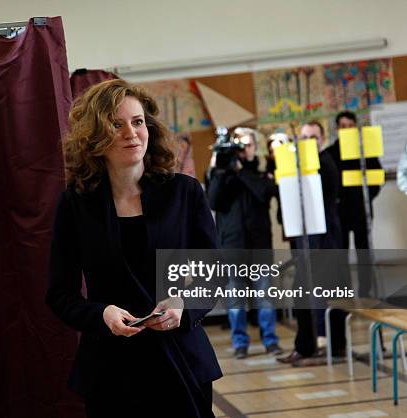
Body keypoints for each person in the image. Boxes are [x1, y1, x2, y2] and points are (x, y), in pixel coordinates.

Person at [46, 79, 222, 417]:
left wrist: (183, 306)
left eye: (137, 121)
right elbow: (60, 294)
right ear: (95, 135)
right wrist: (101, 314)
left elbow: (211, 277)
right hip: (111, 368)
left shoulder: (184, 193)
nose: (131, 133)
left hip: (180, 358)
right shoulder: (75, 204)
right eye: (116, 124)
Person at [207, 128, 282, 359]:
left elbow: (263, 193)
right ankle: (240, 343)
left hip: (259, 246)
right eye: (240, 145)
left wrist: (240, 172)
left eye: (249, 145)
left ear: (254, 148)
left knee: (265, 297)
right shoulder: (221, 173)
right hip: (231, 247)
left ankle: (270, 341)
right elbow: (213, 201)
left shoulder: (263, 172)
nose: (244, 150)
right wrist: (219, 170)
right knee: (235, 299)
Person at [278, 121, 347, 367]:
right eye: (304, 138)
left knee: (324, 296)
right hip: (305, 243)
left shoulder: (325, 163)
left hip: (324, 243)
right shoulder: (302, 167)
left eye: (313, 137)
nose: (308, 142)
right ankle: (305, 346)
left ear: (322, 139)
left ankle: (329, 345)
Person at [327, 111, 382, 297]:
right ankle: (345, 291)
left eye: (350, 126)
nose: (347, 129)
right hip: (339, 213)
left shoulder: (365, 150)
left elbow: (376, 178)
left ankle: (366, 292)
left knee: (364, 253)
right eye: (343, 126)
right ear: (337, 129)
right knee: (340, 254)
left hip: (361, 211)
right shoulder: (330, 153)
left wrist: (366, 198)